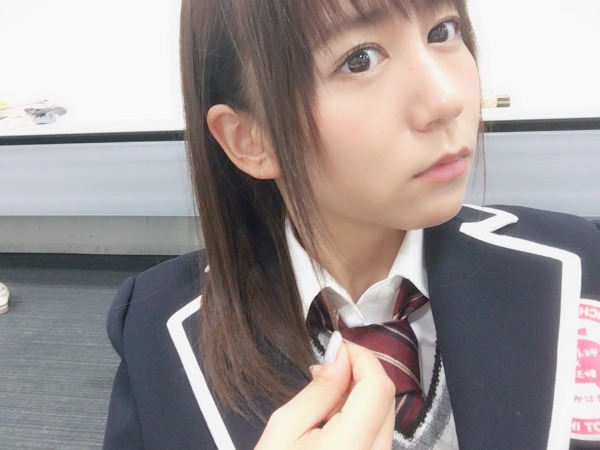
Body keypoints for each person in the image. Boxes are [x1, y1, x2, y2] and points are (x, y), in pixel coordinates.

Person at [103, 0, 600, 449]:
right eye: (359, 59)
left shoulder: (579, 262)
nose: (446, 100)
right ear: (250, 139)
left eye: (443, 31)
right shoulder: (153, 328)